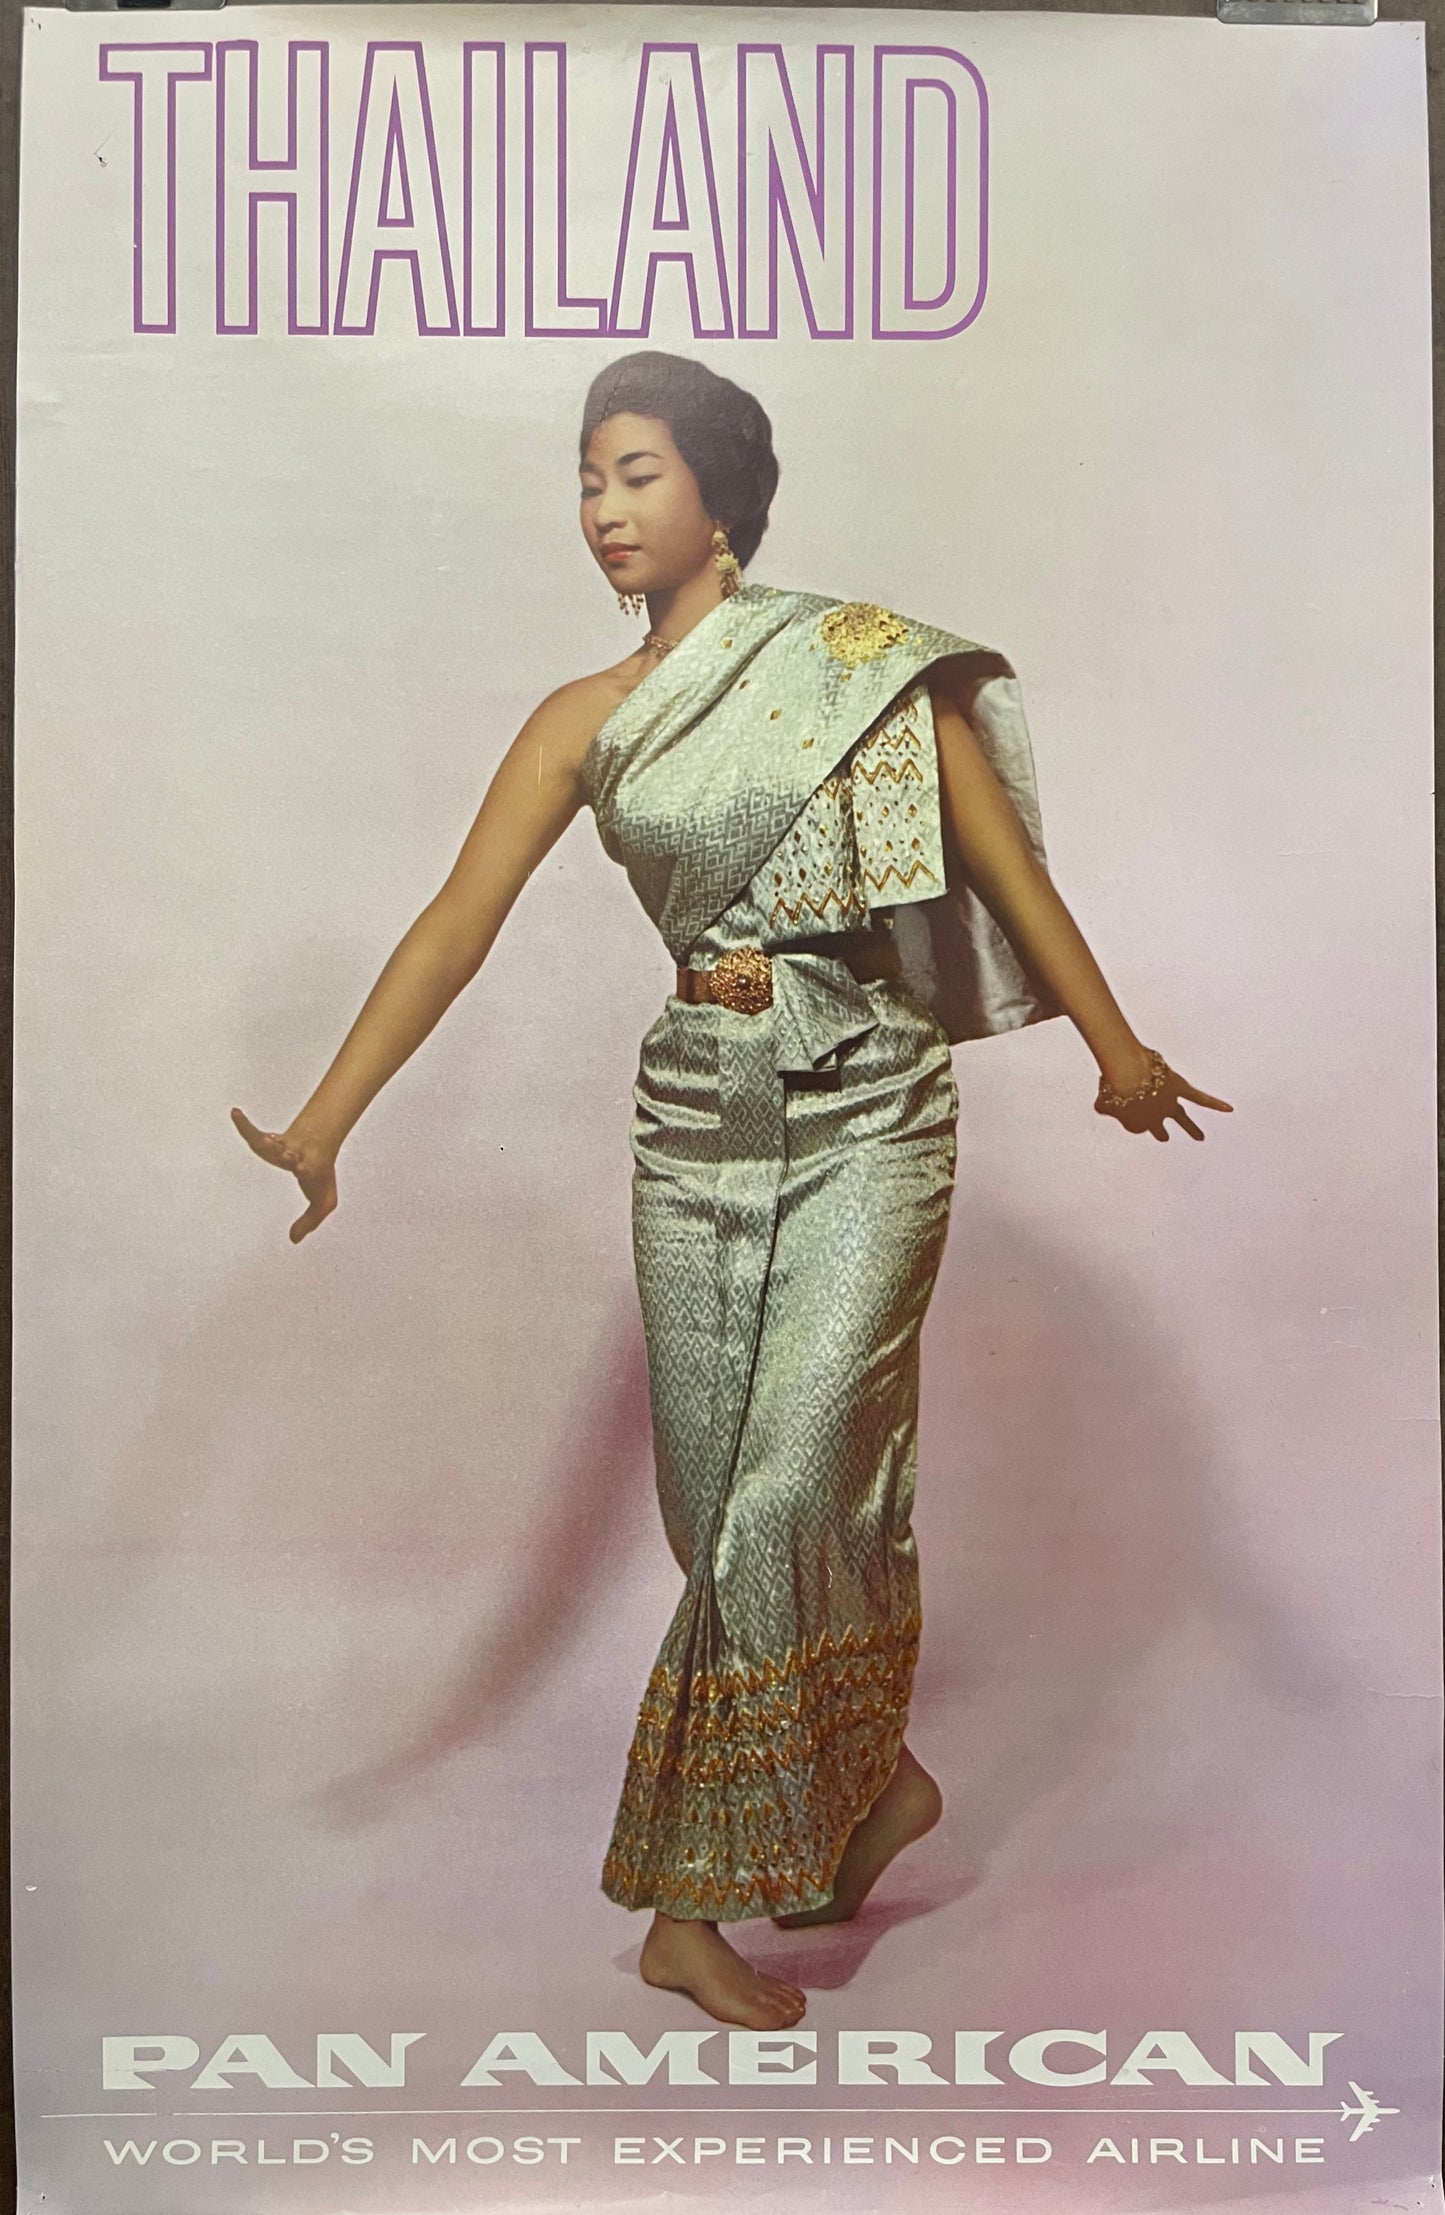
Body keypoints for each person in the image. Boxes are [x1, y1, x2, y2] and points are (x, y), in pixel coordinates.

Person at [233, 349, 1231, 2034]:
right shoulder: (580, 718)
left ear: (720, 495)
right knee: (716, 1517)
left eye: (634, 473)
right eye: (586, 477)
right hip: (693, 1119)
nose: (602, 508)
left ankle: (682, 1909)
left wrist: (1114, 1051)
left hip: (867, 1112)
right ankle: (876, 1788)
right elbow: (457, 921)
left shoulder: (855, 665)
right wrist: (329, 1120)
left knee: (784, 1498)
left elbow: (1004, 867)